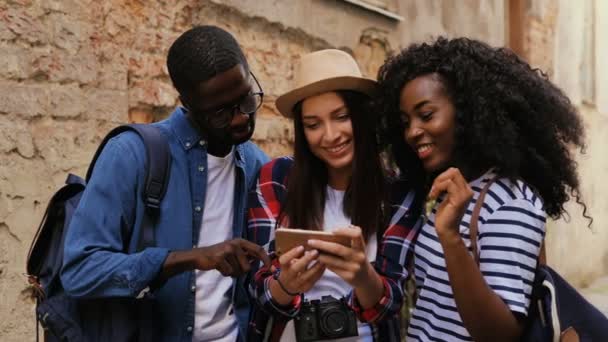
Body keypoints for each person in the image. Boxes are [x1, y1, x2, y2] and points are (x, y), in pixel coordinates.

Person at [61, 25, 271, 341]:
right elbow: (80, 271)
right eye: (219, 112)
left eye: (245, 100)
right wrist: (184, 259)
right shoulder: (131, 155)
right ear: (187, 102)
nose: (241, 118)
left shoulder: (257, 164)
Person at [376, 37, 590, 341]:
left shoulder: (512, 202)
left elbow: (501, 335)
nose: (412, 132)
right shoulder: (445, 188)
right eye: (405, 121)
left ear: (467, 112)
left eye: (426, 115)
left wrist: (451, 239)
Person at [246, 49, 423, 341]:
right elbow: (258, 290)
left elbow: (390, 303)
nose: (330, 136)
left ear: (362, 116)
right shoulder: (276, 179)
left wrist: (362, 275)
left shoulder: (398, 193)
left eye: (341, 117)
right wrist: (287, 285)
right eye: (313, 125)